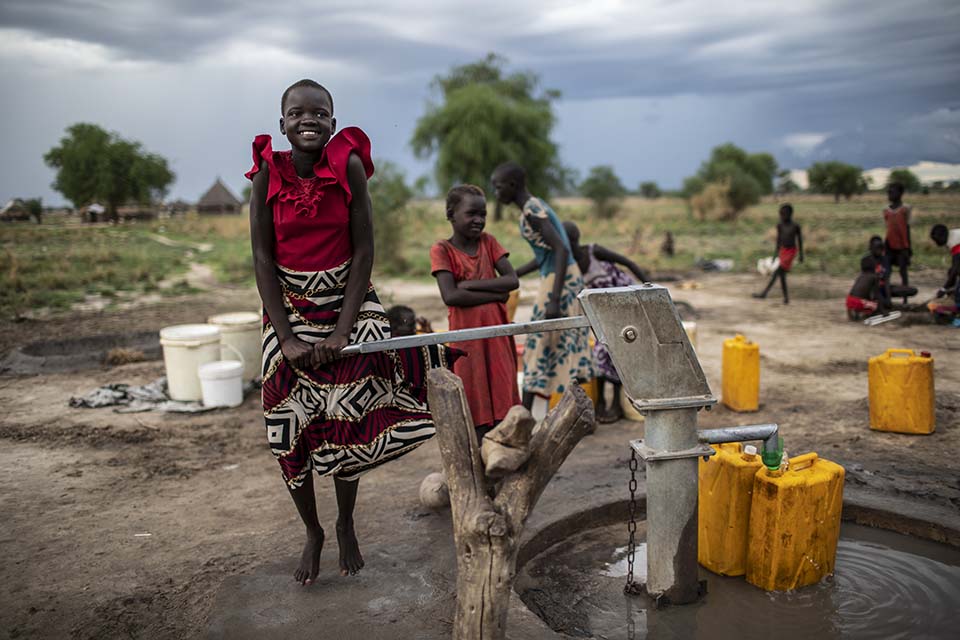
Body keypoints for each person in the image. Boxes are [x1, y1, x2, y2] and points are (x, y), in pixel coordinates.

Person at [246, 79, 455, 587]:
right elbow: (262, 258)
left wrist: (342, 331)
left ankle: (344, 524)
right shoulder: (265, 175)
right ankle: (312, 530)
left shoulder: (349, 166)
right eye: (297, 114)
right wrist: (288, 338)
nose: (308, 120)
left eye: (319, 113)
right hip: (287, 306)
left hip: (349, 299)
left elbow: (364, 251)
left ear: (333, 123)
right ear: (283, 125)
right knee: (284, 414)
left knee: (347, 409)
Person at [491, 163, 594, 410]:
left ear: (513, 186)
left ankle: (524, 416)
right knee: (564, 342)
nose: (496, 193)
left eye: (498, 187)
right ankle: (575, 412)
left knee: (539, 344)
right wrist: (513, 274)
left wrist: (554, 299)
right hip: (564, 277)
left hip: (559, 283)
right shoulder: (535, 206)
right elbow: (546, 255)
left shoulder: (532, 211)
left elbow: (560, 249)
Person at [430, 184, 521, 439]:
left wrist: (469, 285)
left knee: (503, 389)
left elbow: (512, 281)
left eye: (483, 214)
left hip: (496, 334)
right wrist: (496, 294)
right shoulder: (442, 250)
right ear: (451, 214)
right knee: (474, 391)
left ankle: (506, 448)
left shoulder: (489, 242)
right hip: (467, 338)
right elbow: (451, 295)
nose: (478, 220)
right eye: (471, 214)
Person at [563, 220, 648, 422]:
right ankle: (601, 401)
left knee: (616, 350)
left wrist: (649, 289)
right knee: (601, 352)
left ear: (574, 239)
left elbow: (628, 263)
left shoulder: (593, 251)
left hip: (626, 301)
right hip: (605, 311)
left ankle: (616, 405)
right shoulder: (567, 263)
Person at [753, 203, 803, 304]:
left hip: (791, 252)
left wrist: (801, 254)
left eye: (783, 214)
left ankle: (764, 293)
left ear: (790, 214)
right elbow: (778, 241)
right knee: (781, 275)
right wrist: (775, 254)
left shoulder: (795, 226)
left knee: (778, 273)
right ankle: (785, 298)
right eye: (780, 214)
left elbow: (800, 240)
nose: (781, 216)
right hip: (782, 251)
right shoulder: (780, 225)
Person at [884, 182, 912, 302]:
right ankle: (886, 297)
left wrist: (908, 247)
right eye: (888, 192)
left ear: (900, 194)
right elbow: (888, 228)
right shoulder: (886, 210)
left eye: (892, 192)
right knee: (887, 272)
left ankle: (905, 299)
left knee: (903, 271)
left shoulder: (905, 209)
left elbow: (907, 228)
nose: (889, 194)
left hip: (902, 246)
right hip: (889, 244)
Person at [930, 224, 960, 322]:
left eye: (936, 240)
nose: (936, 243)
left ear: (941, 237)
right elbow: (954, 269)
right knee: (951, 272)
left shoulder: (954, 242)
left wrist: (944, 288)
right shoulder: (953, 237)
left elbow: (955, 269)